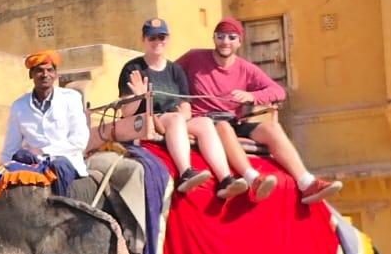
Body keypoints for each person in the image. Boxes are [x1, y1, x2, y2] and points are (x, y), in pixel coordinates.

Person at [176, 18, 343, 205]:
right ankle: (252, 179)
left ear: (239, 42)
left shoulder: (246, 69)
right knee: (223, 126)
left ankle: (307, 183)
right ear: (214, 38)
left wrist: (252, 96)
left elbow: (278, 91)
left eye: (231, 37)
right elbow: (169, 73)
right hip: (206, 123)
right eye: (220, 36)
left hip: (234, 121)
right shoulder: (194, 57)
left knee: (272, 128)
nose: (225, 42)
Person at [118, 17, 276, 201]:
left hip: (175, 120)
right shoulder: (133, 68)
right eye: (152, 37)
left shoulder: (175, 70)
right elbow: (126, 112)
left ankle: (225, 179)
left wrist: (183, 117)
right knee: (176, 119)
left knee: (205, 122)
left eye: (161, 37)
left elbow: (185, 104)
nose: (157, 42)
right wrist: (139, 97)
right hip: (147, 120)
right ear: (143, 39)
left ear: (167, 39)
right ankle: (186, 172)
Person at [0, 50, 89, 191]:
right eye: (39, 71)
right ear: (31, 75)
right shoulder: (19, 106)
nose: (45, 75)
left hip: (65, 159)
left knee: (58, 165)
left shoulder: (71, 99)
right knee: (18, 157)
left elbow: (79, 141)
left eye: (49, 70)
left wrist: (44, 151)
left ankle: (60, 203)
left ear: (56, 74)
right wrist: (2, 169)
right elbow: (10, 147)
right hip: (32, 162)